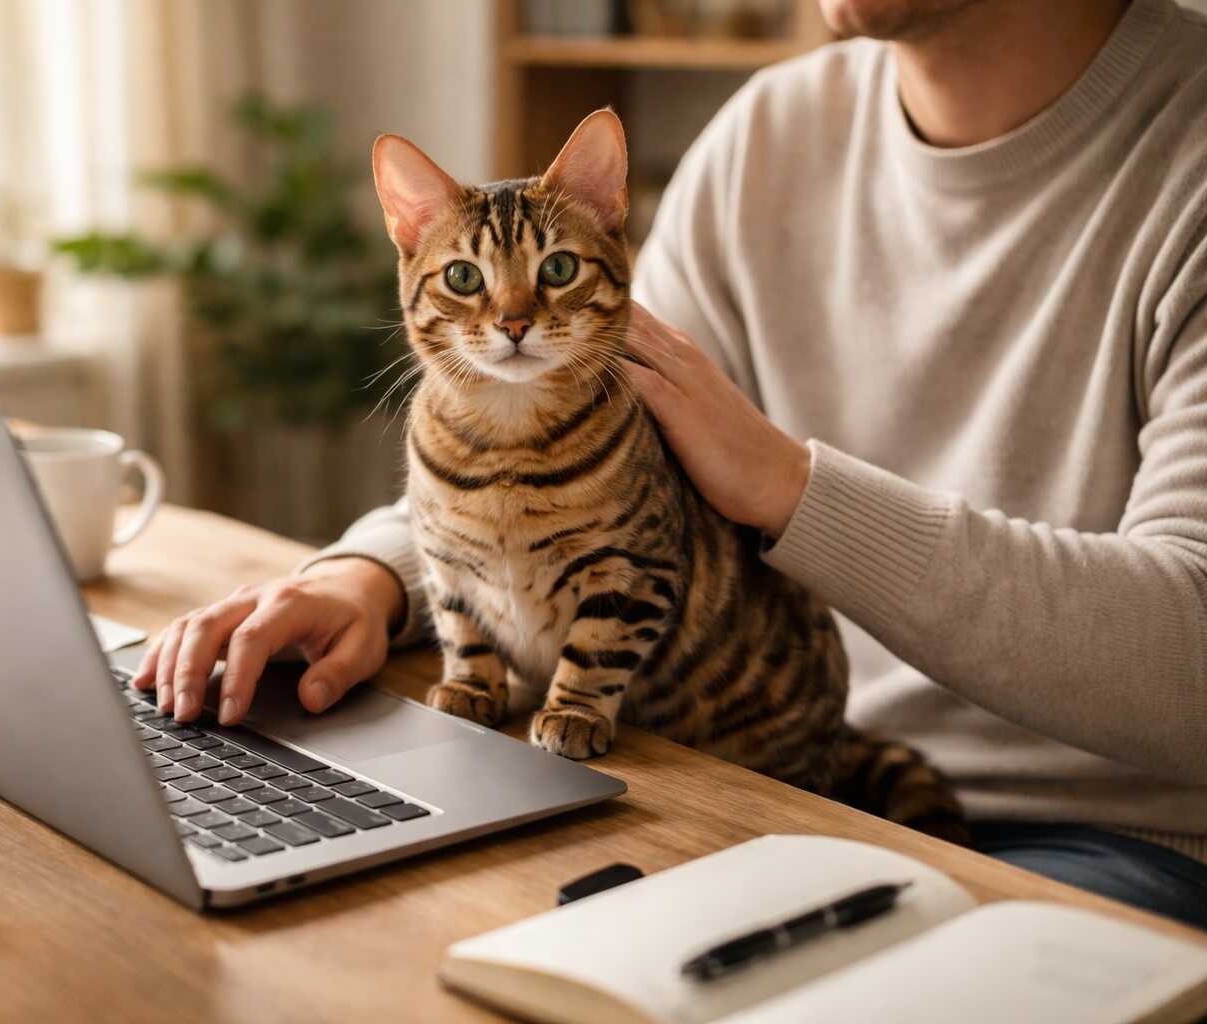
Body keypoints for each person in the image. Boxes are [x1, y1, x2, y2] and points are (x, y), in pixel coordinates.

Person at [134, 0, 1207, 927]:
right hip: (767, 766)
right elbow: (570, 449)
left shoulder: (1185, 152)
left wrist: (788, 487)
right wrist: (369, 577)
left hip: (1103, 835)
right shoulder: (770, 135)